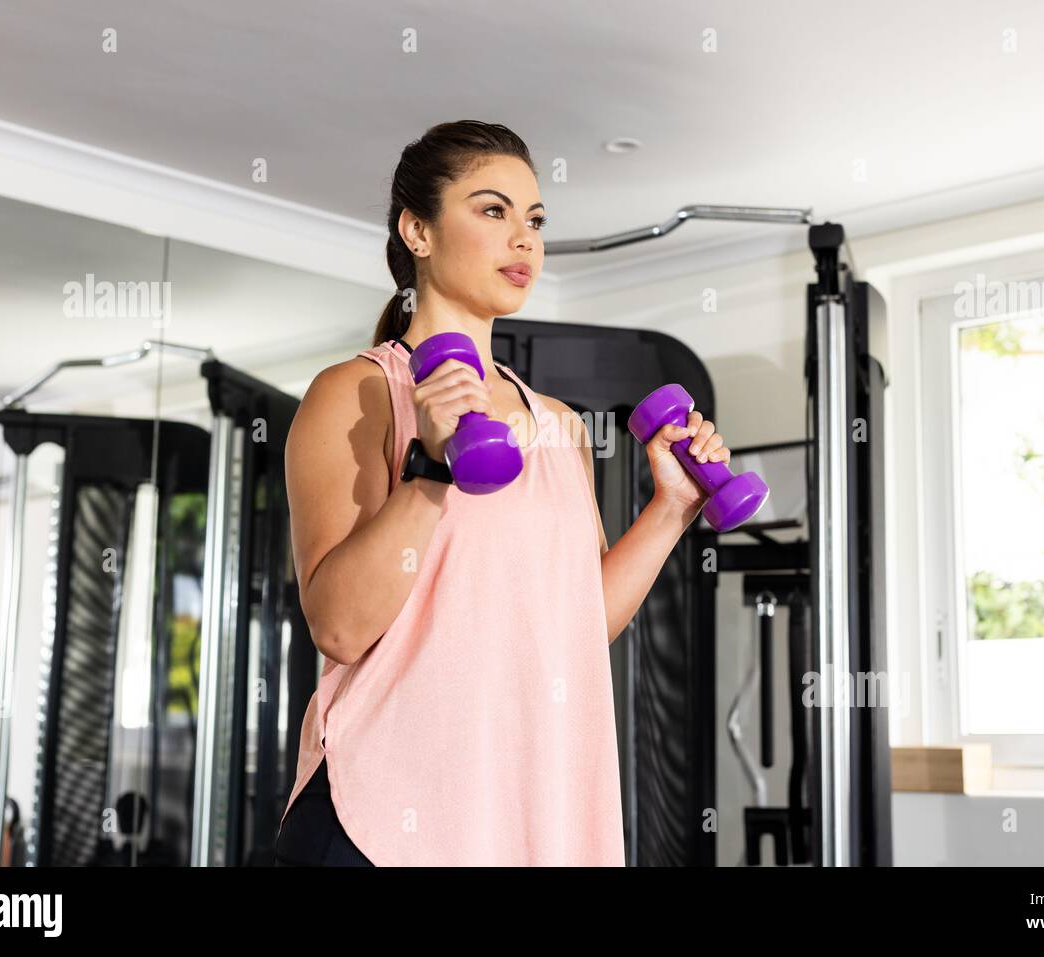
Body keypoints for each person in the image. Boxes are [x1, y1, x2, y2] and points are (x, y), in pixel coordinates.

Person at [274, 120, 735, 867]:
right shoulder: (360, 393)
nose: (524, 239)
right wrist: (432, 468)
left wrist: (672, 506)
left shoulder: (557, 424)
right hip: (382, 821)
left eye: (536, 220)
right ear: (417, 230)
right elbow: (339, 627)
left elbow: (576, 623)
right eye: (493, 211)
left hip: (522, 809)